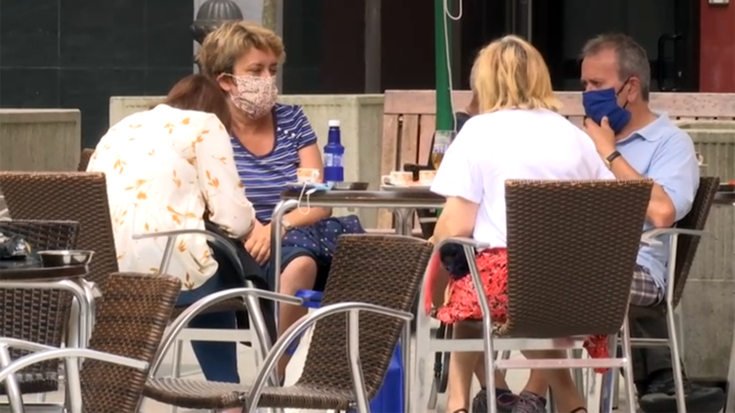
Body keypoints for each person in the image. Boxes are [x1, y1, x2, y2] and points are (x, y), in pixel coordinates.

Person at [428, 35, 613, 413]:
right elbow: (607, 207)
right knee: (486, 288)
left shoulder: (478, 131)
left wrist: (432, 257)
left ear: (485, 81)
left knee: (464, 284)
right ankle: (570, 401)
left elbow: (455, 227)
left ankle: (457, 403)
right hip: (578, 287)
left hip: (503, 287)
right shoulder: (574, 135)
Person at [197, 21, 365, 380]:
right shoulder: (208, 127)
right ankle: (265, 380)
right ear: (225, 80)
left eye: (272, 70)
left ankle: (276, 374)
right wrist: (250, 229)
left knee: (302, 262)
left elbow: (320, 200)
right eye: (256, 71)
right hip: (233, 239)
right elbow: (204, 197)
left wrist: (279, 225)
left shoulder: (292, 119)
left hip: (293, 231)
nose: (268, 79)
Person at [88, 75, 256, 413]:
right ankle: (227, 397)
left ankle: (112, 397)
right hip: (164, 265)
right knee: (216, 275)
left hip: (104, 269)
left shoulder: (123, 126)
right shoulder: (206, 124)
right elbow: (234, 218)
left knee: (203, 265)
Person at [580, 33, 725, 413]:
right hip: (580, 261)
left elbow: (663, 212)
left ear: (631, 88)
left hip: (639, 270)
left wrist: (609, 153)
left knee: (586, 279)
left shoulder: (670, 144)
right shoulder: (582, 141)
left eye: (596, 84)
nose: (587, 94)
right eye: (584, 85)